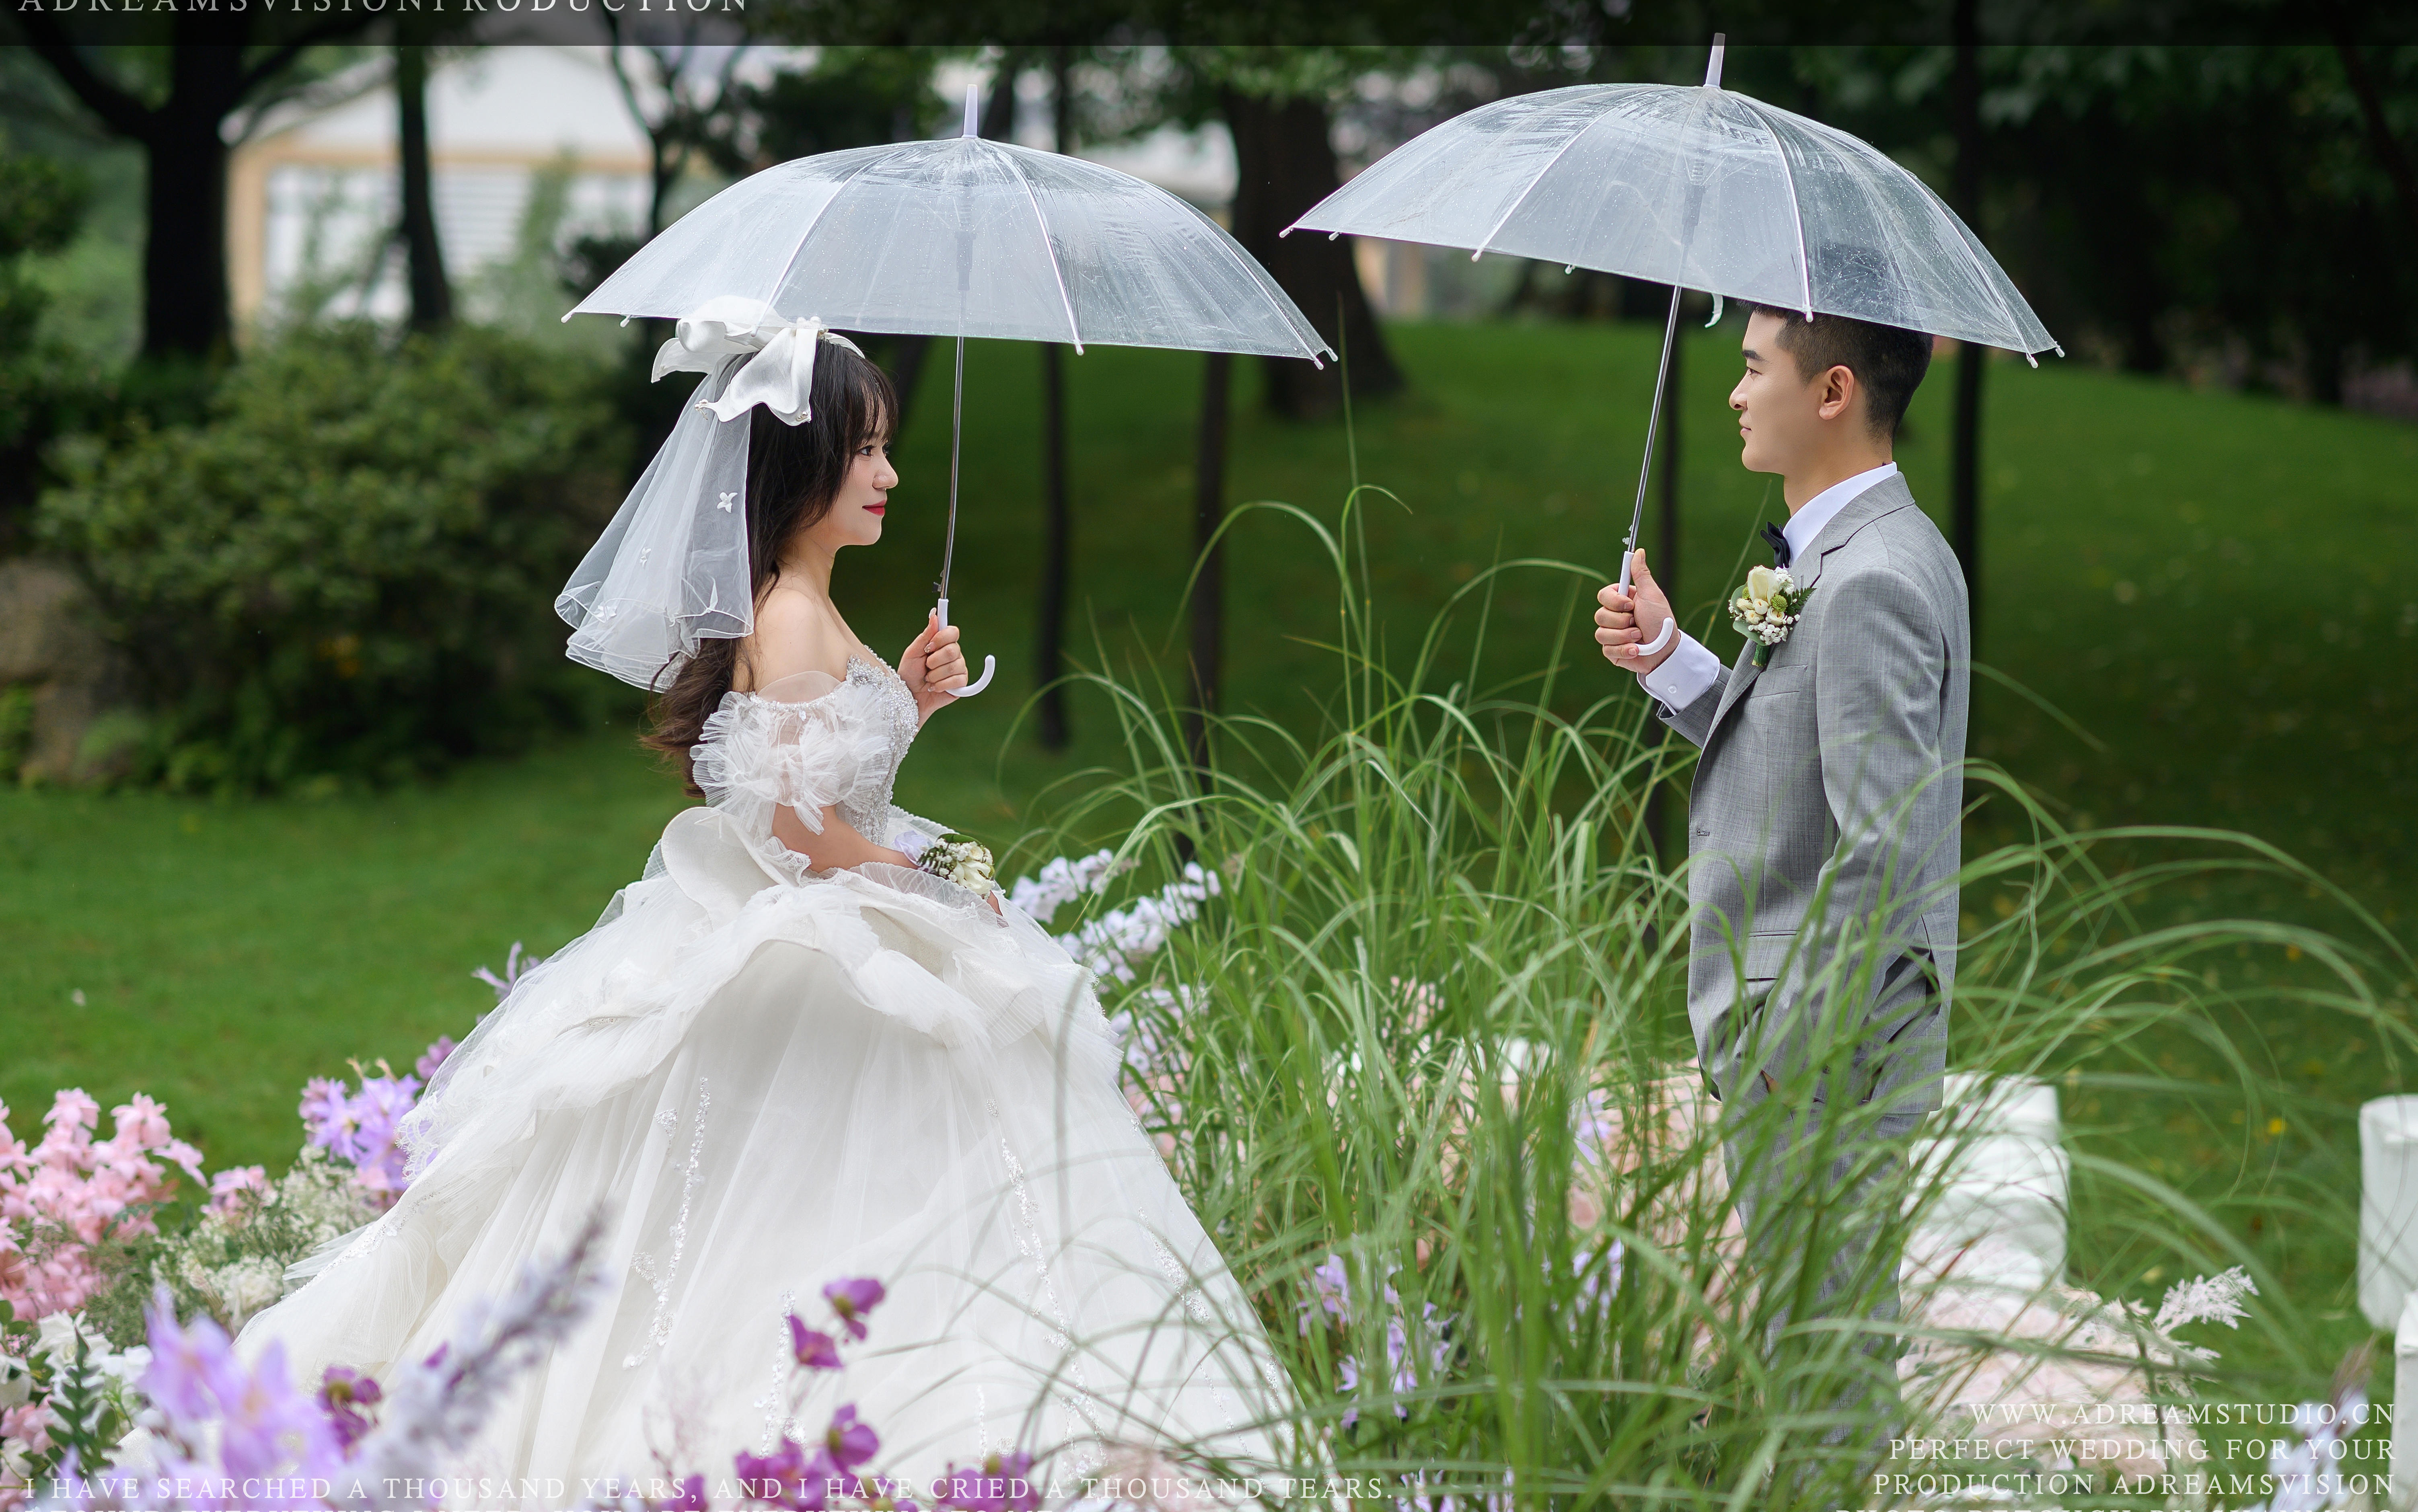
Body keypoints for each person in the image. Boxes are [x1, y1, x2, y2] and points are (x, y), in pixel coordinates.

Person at [237, 316, 1286, 1491]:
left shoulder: (804, 605)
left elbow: (823, 778)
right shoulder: (789, 616)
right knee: (839, 1187)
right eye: (865, 450)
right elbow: (790, 831)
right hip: (818, 939)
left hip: (835, 907)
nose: (888, 476)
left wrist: (913, 703)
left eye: (888, 449)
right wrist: (925, 876)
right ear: (801, 465)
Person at [1592, 304, 1967, 1446]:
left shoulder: (1872, 583)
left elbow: (1880, 850)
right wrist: (1668, 660)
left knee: (1830, 1371)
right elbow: (1791, 754)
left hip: (1823, 1053)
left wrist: (1777, 1055)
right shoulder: (1852, 554)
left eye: (1753, 368)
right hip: (1811, 1041)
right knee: (1811, 1350)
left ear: (1832, 391)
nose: (1733, 391)